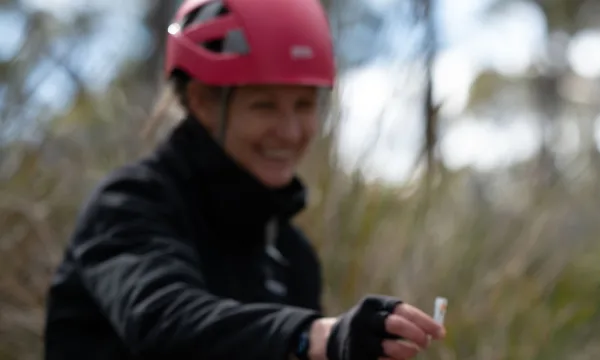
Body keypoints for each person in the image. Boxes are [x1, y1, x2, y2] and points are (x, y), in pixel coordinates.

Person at [42, 0, 445, 359]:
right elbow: (163, 321)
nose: (290, 132)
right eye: (264, 105)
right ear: (201, 101)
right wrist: (317, 336)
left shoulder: (291, 254)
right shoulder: (129, 204)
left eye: (304, 105)